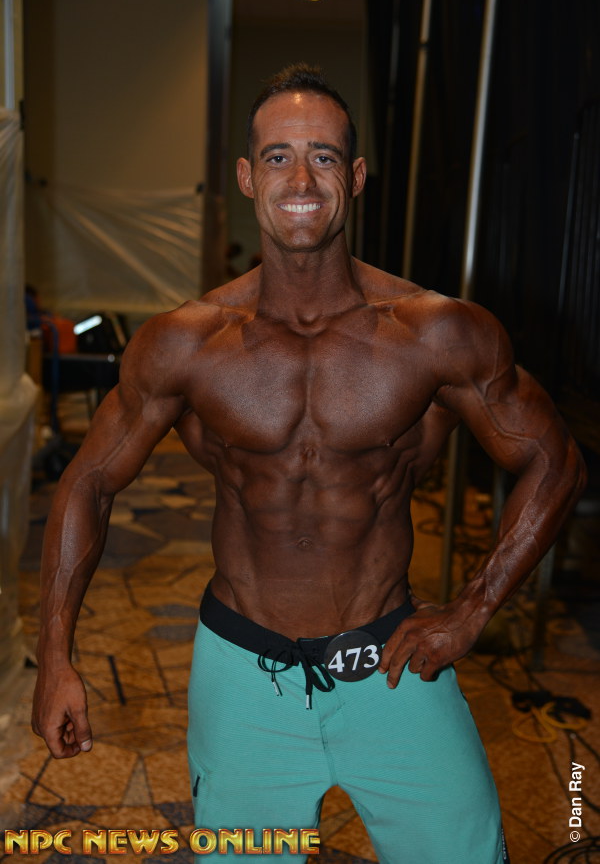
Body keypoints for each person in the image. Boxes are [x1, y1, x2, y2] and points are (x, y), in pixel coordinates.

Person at [32, 64, 585, 863]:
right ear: (246, 176)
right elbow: (88, 482)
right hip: (241, 673)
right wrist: (56, 657)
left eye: (322, 157)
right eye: (279, 157)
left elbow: (555, 462)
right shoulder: (186, 345)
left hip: (390, 665)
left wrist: (473, 609)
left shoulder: (434, 334)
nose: (300, 180)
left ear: (354, 177)